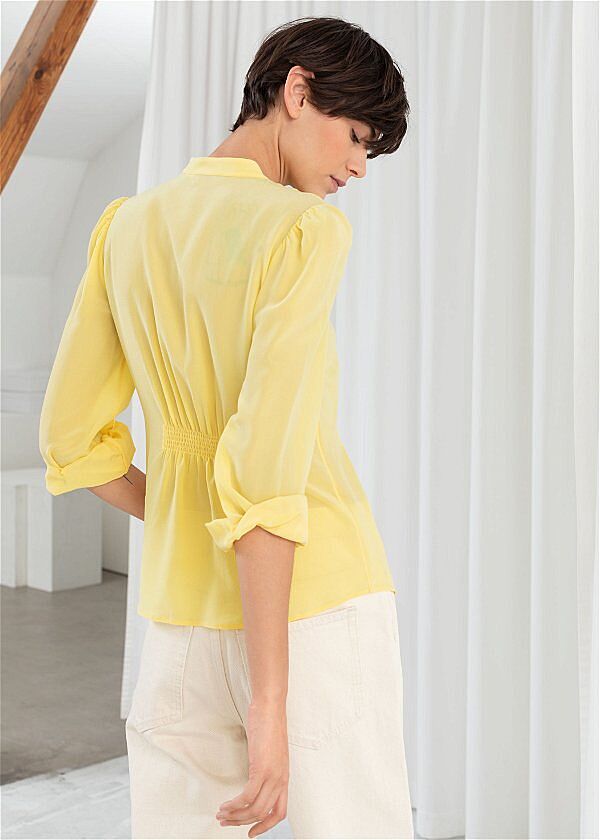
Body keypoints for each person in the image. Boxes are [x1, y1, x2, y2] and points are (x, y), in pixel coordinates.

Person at [38, 15, 413, 840]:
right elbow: (267, 471)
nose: (359, 165)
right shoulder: (302, 230)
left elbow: (70, 437)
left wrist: (187, 509)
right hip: (315, 609)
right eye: (357, 136)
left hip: (180, 621)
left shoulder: (126, 227)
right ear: (297, 90)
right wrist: (271, 705)